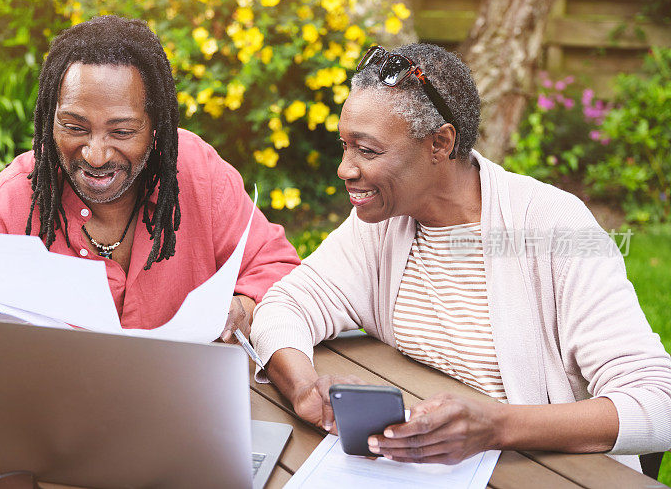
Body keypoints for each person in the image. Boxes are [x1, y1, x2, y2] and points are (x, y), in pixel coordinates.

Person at [250, 43, 671, 471]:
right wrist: (305, 388)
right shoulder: (382, 222)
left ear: (440, 143)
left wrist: (498, 426)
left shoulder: (553, 225)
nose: (345, 168)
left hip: (549, 474)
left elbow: (658, 402)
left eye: (368, 150)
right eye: (344, 145)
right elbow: (286, 304)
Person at [0, 16, 299, 386]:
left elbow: (277, 266)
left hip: (185, 413)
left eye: (122, 131)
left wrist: (242, 306)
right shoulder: (5, 208)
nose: (96, 155)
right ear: (49, 121)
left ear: (156, 128)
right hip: (55, 432)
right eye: (75, 127)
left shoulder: (198, 173)